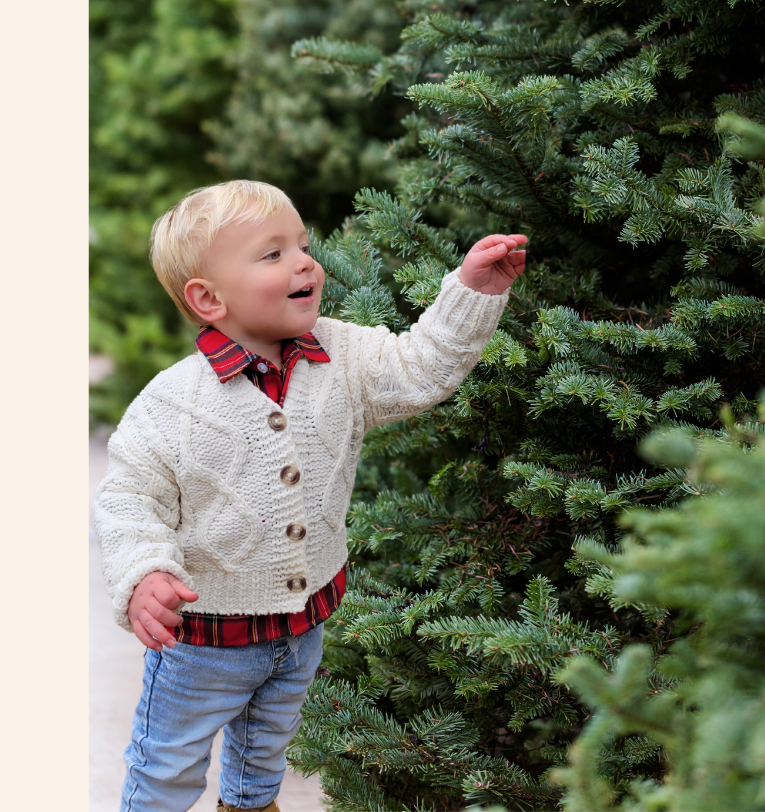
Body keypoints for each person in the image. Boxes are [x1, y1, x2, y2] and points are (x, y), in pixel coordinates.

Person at [93, 180, 527, 812]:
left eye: (301, 244)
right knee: (167, 762)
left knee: (263, 754)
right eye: (272, 255)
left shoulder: (342, 356)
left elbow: (419, 369)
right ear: (208, 298)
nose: (305, 263)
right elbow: (129, 497)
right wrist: (144, 574)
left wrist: (472, 294)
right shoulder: (172, 404)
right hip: (204, 639)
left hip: (301, 627)